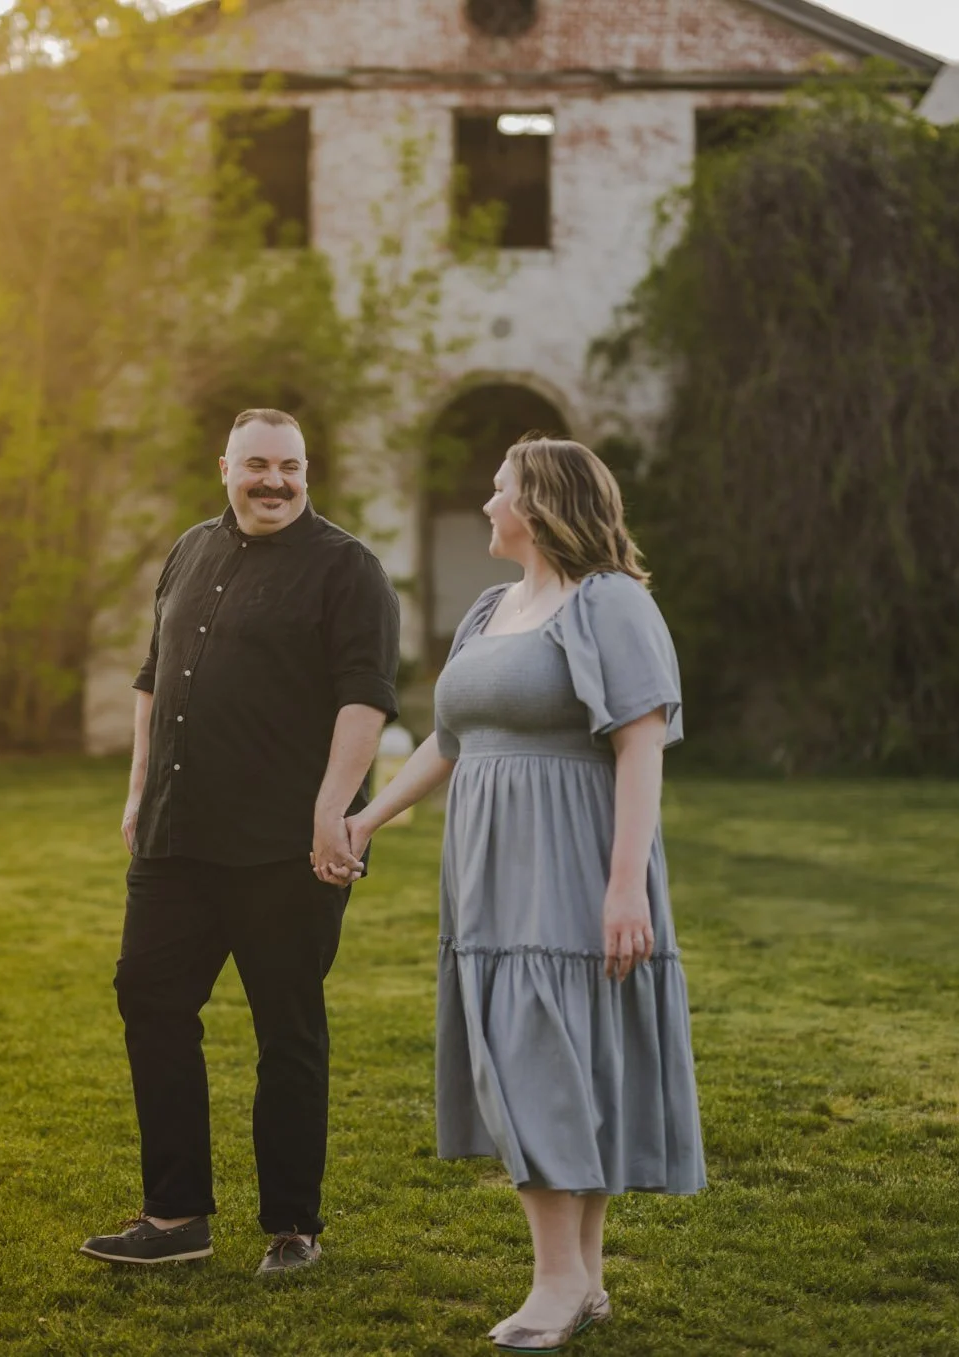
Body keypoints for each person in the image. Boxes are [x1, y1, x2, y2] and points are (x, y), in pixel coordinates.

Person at [331, 437, 705, 1350]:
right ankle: (585, 1276)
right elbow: (450, 739)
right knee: (542, 1053)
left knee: (555, 1054)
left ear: (535, 507)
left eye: (498, 490)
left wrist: (625, 890)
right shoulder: (494, 607)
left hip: (575, 860)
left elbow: (641, 745)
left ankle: (558, 1280)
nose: (488, 502)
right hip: (490, 874)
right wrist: (366, 818)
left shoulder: (610, 601)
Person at [81, 408, 400, 1276]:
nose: (275, 481)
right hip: (177, 838)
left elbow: (364, 700)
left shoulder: (348, 569)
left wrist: (333, 811)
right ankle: (176, 1214)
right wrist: (140, 789)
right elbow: (155, 677)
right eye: (257, 464)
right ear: (225, 465)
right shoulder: (190, 550)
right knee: (148, 997)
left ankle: (293, 1228)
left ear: (308, 472)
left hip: (284, 849)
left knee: (287, 1029)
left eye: (290, 467)